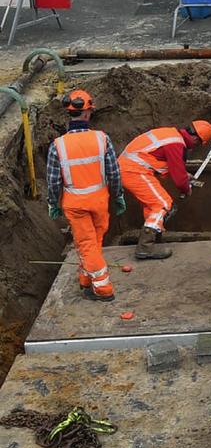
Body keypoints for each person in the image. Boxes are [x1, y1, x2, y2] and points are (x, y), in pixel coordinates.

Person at [46, 90, 125, 301]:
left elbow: (54, 181)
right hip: (99, 201)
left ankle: (103, 288)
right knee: (93, 242)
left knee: (87, 244)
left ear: (68, 114)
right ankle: (86, 279)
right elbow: (113, 172)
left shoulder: (58, 145)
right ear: (88, 113)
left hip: (75, 204)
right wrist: (117, 195)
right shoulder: (102, 139)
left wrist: (53, 203)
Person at [118, 120, 211, 260]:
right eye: (198, 144)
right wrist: (186, 189)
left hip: (130, 169)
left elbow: (160, 160)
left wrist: (184, 175)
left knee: (152, 206)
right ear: (195, 138)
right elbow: (179, 181)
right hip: (133, 171)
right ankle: (145, 247)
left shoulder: (171, 135)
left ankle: (153, 240)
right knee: (162, 203)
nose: (194, 147)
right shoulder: (176, 144)